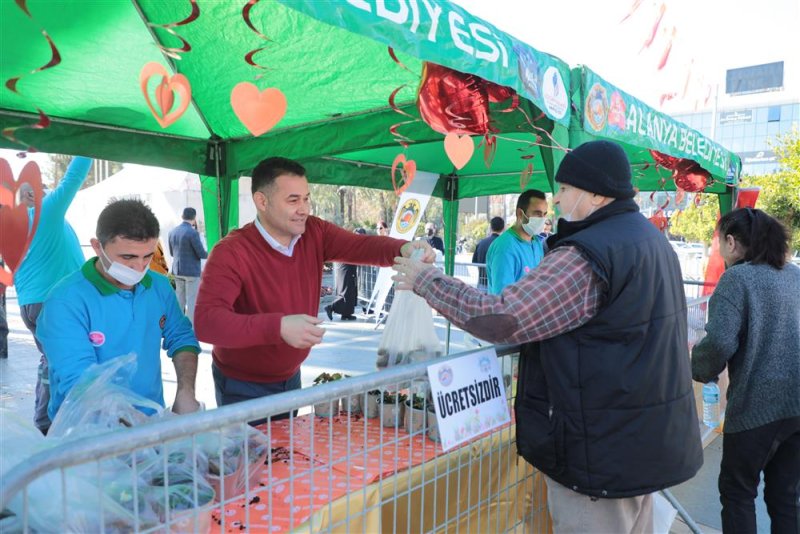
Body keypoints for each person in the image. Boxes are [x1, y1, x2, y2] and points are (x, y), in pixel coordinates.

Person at [392, 140, 702, 533]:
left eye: (565, 189)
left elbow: (504, 316)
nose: (556, 200)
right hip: (639, 438)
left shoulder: (588, 254)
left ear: (596, 193)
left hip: (601, 453)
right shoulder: (648, 239)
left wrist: (427, 281)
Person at [194, 157, 434, 417]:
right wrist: (279, 327)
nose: (304, 209)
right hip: (242, 387)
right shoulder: (231, 252)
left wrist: (402, 248)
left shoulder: (314, 232)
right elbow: (208, 322)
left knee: (286, 454)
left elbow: (360, 246)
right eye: (293, 200)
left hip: (290, 378)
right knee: (253, 457)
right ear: (262, 202)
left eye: (307, 198)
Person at [37, 199, 201, 421]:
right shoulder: (65, 301)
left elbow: (181, 338)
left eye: (148, 256)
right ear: (98, 247)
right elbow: (79, 381)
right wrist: (133, 422)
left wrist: (186, 392)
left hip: (151, 423)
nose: (139, 267)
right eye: (128, 257)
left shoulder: (158, 286)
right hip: (84, 431)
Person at [691, 208, 800, 534]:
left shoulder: (736, 279)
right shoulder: (794, 275)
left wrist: (699, 367)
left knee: (738, 492)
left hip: (756, 407)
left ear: (731, 241)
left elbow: (720, 343)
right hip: (797, 406)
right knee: (786, 496)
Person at [14, 156, 92, 434]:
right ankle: (52, 421)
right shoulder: (47, 212)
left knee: (52, 359)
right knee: (66, 361)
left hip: (31, 304)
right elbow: (75, 176)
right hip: (52, 302)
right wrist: (85, 144)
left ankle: (49, 419)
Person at [485, 190, 548, 295]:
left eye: (544, 214)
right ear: (520, 213)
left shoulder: (536, 243)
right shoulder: (505, 248)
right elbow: (503, 299)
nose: (542, 219)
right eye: (537, 214)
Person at [168, 207, 207, 323]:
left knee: (179, 299)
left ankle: (177, 325)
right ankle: (189, 328)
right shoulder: (193, 233)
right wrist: (211, 254)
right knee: (191, 300)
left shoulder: (172, 231)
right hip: (191, 273)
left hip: (177, 271)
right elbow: (201, 253)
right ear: (194, 218)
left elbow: (171, 253)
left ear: (182, 217)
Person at [325, 228, 367, 321]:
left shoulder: (352, 242)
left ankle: (346, 314)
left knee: (349, 290)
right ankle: (331, 307)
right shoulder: (352, 242)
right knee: (346, 291)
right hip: (346, 267)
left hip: (346, 267)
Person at [472, 216, 504, 291]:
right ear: (503, 228)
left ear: (491, 227)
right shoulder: (504, 244)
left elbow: (474, 261)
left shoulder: (481, 243)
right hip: (497, 284)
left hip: (482, 282)